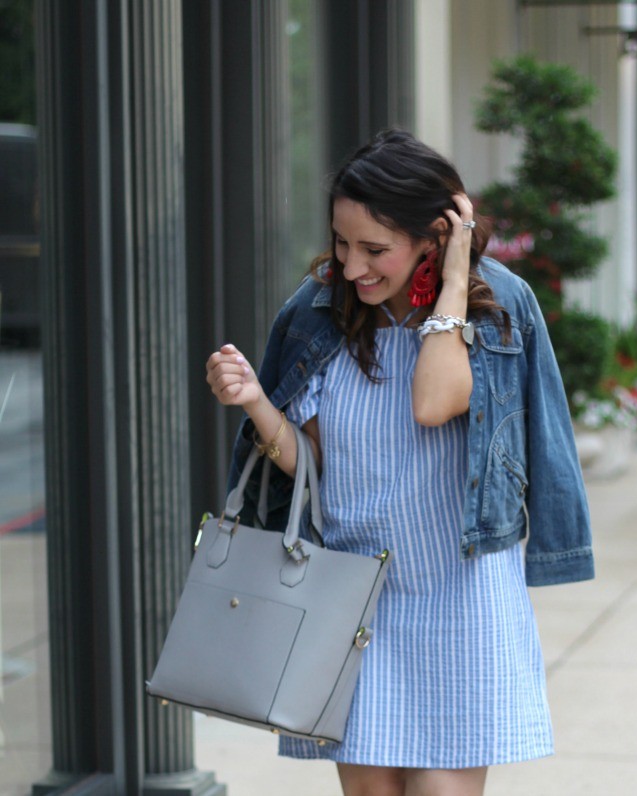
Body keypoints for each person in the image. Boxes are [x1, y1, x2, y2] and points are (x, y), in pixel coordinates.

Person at [206, 129, 594, 796]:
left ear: (434, 236)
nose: (352, 267)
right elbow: (312, 468)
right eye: (341, 243)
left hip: (461, 597)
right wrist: (255, 405)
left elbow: (433, 401)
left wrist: (450, 281)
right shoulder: (318, 310)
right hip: (352, 601)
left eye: (374, 250)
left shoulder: (497, 308)